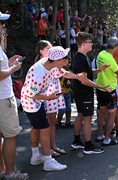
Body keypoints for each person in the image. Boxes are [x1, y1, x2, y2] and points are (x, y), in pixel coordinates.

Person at [21, 46, 83, 171]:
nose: (67, 62)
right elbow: (30, 93)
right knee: (44, 129)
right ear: (57, 60)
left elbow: (64, 73)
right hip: (32, 102)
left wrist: (77, 76)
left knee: (37, 128)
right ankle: (48, 161)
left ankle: (35, 156)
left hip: (37, 101)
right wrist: (48, 98)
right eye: (65, 59)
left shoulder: (52, 65)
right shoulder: (39, 72)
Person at [0, 11, 29, 179]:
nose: (4, 26)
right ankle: (10, 173)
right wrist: (13, 68)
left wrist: (9, 62)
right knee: (10, 136)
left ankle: (3, 170)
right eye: (1, 23)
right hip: (3, 99)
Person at [71, 32, 109, 154]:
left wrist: (98, 70)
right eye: (90, 42)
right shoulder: (81, 58)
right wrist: (100, 86)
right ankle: (88, 146)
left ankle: (76, 141)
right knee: (87, 118)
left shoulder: (81, 56)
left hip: (79, 92)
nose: (92, 44)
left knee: (81, 115)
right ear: (82, 44)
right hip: (84, 92)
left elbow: (85, 72)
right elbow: (85, 80)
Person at [33, 40, 67, 158]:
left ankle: (53, 146)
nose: (51, 51)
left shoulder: (54, 63)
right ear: (41, 51)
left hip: (54, 92)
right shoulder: (41, 64)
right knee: (43, 125)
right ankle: (45, 150)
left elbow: (63, 72)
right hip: (45, 95)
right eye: (49, 49)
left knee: (52, 122)